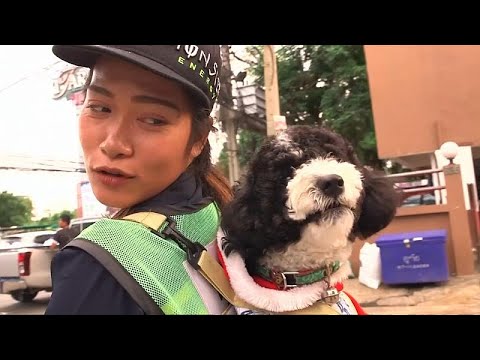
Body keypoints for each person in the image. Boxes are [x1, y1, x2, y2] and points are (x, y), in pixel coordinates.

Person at [45, 45, 233, 315]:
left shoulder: (102, 265)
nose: (113, 144)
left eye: (154, 120)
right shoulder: (212, 212)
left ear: (199, 139)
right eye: (100, 107)